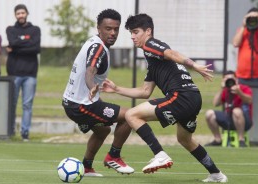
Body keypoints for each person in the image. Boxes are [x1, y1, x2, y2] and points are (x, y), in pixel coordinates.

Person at [102, 14, 228, 183]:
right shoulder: (153, 61)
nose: (132, 36)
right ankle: (216, 174)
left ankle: (160, 154)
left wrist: (194, 65)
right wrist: (117, 89)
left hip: (181, 96)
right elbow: (145, 91)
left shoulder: (151, 44)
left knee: (131, 115)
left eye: (136, 32)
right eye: (131, 33)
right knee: (184, 139)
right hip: (192, 98)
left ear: (148, 31)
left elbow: (170, 52)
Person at [62, 9, 134, 177]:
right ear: (98, 28)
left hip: (73, 102)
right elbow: (90, 71)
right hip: (81, 105)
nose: (113, 33)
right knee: (130, 116)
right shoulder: (98, 49)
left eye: (116, 29)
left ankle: (86, 168)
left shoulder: (94, 42)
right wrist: (92, 85)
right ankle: (114, 157)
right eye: (108, 28)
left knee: (103, 130)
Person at [6, 4, 41, 141]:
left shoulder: (35, 30)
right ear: (15, 15)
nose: (20, 15)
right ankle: (10, 131)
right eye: (18, 13)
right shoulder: (10, 29)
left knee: (27, 105)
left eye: (22, 12)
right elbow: (12, 41)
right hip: (13, 74)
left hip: (30, 74)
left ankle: (25, 133)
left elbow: (36, 48)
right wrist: (27, 42)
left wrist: (15, 48)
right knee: (12, 104)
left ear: (27, 13)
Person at [205, 71, 253, 147]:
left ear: (236, 79)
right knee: (209, 114)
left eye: (231, 78)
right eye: (226, 79)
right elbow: (215, 103)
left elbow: (249, 100)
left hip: (245, 120)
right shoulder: (225, 90)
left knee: (236, 111)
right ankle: (218, 140)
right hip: (228, 118)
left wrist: (239, 92)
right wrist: (222, 88)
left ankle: (241, 140)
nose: (229, 80)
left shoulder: (244, 88)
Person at [232, 7, 258, 84]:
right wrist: (243, 26)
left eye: (255, 19)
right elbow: (235, 43)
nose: (253, 20)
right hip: (242, 75)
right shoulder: (242, 31)